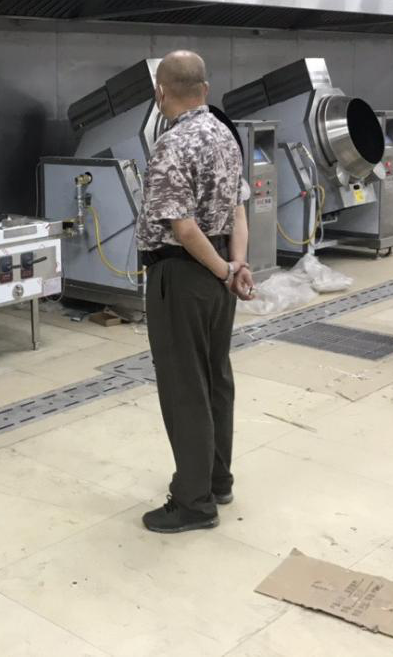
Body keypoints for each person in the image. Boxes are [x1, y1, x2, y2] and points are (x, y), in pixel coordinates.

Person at [136, 50, 254, 535]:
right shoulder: (224, 135)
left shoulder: (172, 144)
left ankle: (193, 502)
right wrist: (235, 265)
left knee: (185, 387)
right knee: (214, 377)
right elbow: (239, 209)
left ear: (160, 92)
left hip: (183, 276)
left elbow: (183, 228)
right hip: (219, 273)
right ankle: (217, 479)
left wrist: (222, 269)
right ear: (204, 89)